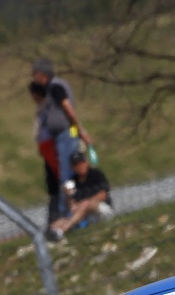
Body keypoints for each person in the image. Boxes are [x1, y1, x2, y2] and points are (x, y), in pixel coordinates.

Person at [32, 58, 92, 196]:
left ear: (42, 74)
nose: (35, 78)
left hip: (66, 132)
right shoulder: (53, 87)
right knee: (64, 170)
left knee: (67, 170)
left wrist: (79, 131)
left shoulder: (55, 86)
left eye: (35, 74)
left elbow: (68, 109)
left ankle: (71, 203)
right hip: (65, 132)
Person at [47, 151, 114, 242]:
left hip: (102, 210)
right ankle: (54, 233)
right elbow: (72, 205)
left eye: (82, 163)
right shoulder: (73, 181)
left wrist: (85, 203)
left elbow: (103, 195)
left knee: (85, 204)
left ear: (86, 162)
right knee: (55, 224)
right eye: (77, 165)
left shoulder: (96, 174)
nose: (80, 166)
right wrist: (70, 197)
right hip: (84, 216)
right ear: (72, 167)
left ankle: (61, 231)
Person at [29, 81, 63, 226]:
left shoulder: (50, 108)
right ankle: (54, 218)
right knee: (53, 186)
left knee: (60, 182)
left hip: (56, 149)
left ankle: (59, 217)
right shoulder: (41, 109)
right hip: (48, 150)